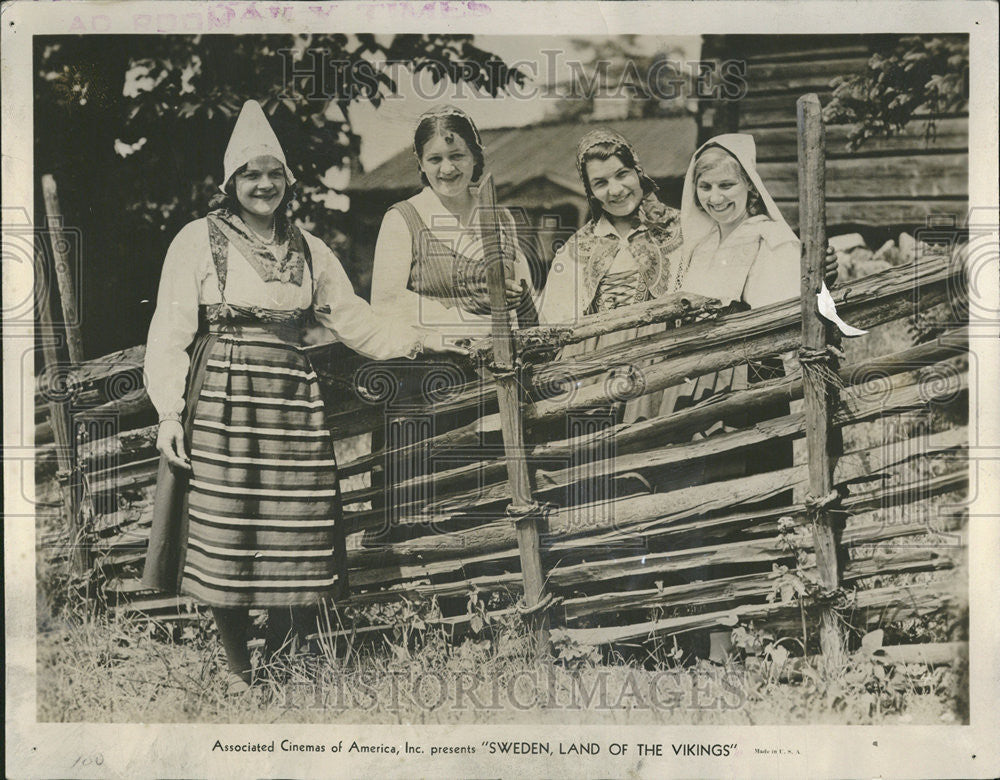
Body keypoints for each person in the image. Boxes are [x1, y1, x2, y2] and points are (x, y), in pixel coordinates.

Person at [141, 100, 457, 694]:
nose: (264, 185)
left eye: (273, 174)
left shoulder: (310, 249)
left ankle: (284, 660)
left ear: (288, 181)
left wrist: (416, 340)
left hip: (290, 396)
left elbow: (355, 321)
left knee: (298, 520)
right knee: (229, 522)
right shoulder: (196, 240)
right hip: (224, 396)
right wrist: (168, 413)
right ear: (232, 183)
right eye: (250, 175)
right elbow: (169, 330)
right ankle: (240, 668)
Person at [676, 133, 839, 663]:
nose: (716, 197)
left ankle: (758, 636)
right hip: (696, 392)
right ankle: (713, 642)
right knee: (701, 509)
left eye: (727, 185)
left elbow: (783, 321)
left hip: (752, 388)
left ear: (749, 186)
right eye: (706, 186)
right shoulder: (694, 248)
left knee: (750, 503)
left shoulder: (773, 240)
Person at [367, 105, 532, 540]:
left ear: (476, 157)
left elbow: (522, 293)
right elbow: (385, 301)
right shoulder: (402, 218)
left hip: (493, 372)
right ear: (420, 163)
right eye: (435, 158)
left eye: (457, 156)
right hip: (427, 375)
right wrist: (456, 321)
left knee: (489, 487)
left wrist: (518, 296)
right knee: (428, 491)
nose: (448, 168)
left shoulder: (500, 217)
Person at [537, 128, 688, 426]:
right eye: (601, 183)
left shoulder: (681, 229)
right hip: (598, 369)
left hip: (663, 361)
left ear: (638, 172)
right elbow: (553, 322)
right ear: (590, 191)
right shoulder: (577, 248)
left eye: (622, 174)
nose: (616, 189)